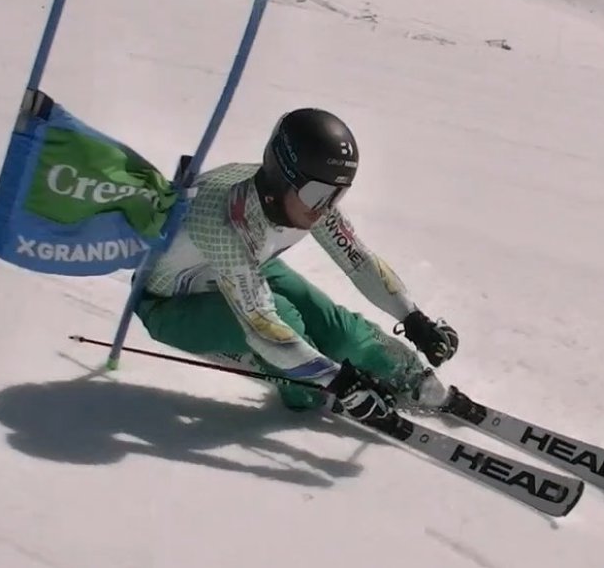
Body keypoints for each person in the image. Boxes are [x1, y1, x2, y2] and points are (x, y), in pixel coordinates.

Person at [134, 107, 460, 425]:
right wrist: (338, 382)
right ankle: (305, 392)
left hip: (246, 268)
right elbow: (262, 326)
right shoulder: (223, 220)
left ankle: (408, 376)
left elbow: (358, 261)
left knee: (337, 328)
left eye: (338, 193)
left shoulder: (304, 198)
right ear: (282, 176)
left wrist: (413, 317)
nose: (325, 207)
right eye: (319, 193)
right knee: (284, 320)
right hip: (170, 305)